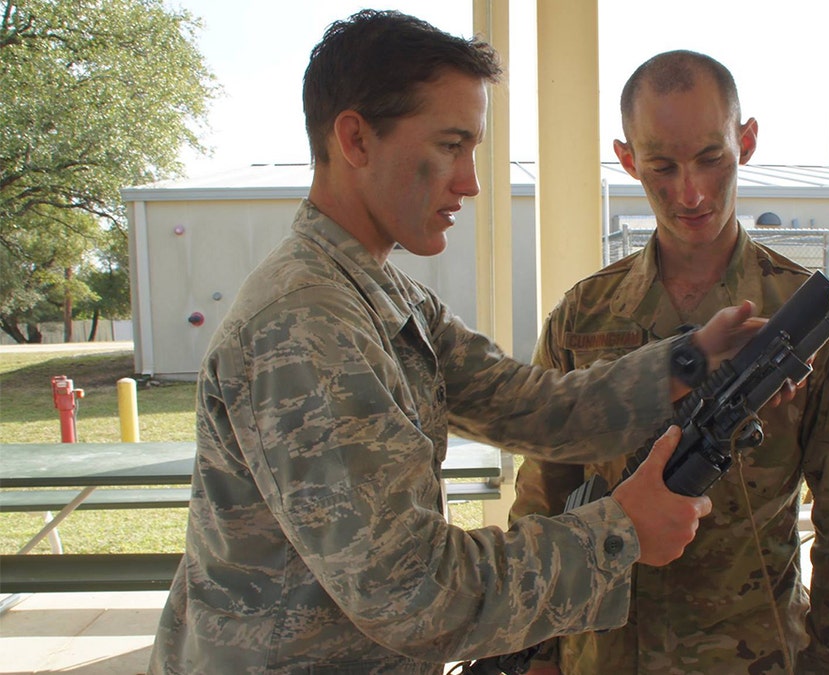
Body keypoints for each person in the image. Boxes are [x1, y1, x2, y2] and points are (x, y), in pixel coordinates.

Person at [147, 15, 770, 674]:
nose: (470, 181)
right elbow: (411, 590)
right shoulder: (304, 322)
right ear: (355, 138)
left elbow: (535, 407)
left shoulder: (380, 295)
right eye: (451, 146)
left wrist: (693, 357)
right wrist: (618, 534)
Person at [509, 51, 829, 675]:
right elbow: (543, 498)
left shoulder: (815, 328)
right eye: (661, 165)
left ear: (745, 142)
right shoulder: (582, 320)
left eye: (711, 158)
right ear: (627, 158)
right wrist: (534, 651)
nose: (689, 192)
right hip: (602, 656)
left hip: (753, 656)